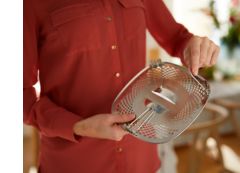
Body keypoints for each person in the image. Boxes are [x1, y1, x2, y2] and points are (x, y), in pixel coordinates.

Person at [23, 0, 220, 172]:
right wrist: (78, 126)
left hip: (141, 158)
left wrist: (193, 46)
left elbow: (177, 39)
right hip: (76, 163)